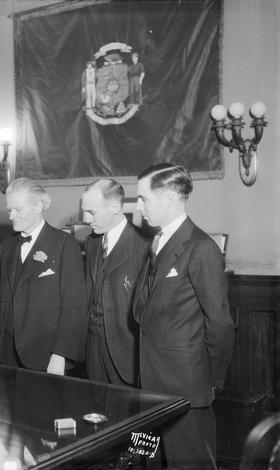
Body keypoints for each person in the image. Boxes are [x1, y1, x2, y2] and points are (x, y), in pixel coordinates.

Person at [134, 163, 234, 469]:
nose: (138, 206)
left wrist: (208, 379)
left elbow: (220, 324)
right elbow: (143, 310)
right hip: (149, 384)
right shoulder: (156, 241)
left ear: (167, 199)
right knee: (147, 462)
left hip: (186, 387)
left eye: (143, 198)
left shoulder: (201, 247)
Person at [0, 178, 88, 375]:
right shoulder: (7, 245)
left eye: (18, 209)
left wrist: (60, 354)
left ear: (38, 206)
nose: (11, 216)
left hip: (44, 355)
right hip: (5, 352)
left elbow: (74, 306)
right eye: (9, 210)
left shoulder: (65, 244)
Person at [81, 179, 150, 386]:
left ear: (114, 207)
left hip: (127, 351)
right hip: (93, 348)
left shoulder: (145, 245)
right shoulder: (92, 242)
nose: (85, 219)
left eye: (91, 212)